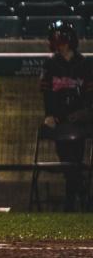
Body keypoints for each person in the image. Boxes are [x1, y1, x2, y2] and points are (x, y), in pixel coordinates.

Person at [40, 20, 93, 211]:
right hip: (60, 121)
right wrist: (50, 115)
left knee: (76, 160)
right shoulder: (51, 64)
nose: (58, 44)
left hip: (79, 121)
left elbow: (88, 94)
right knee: (67, 161)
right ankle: (81, 199)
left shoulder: (84, 64)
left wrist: (84, 112)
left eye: (60, 39)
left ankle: (71, 203)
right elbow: (47, 93)